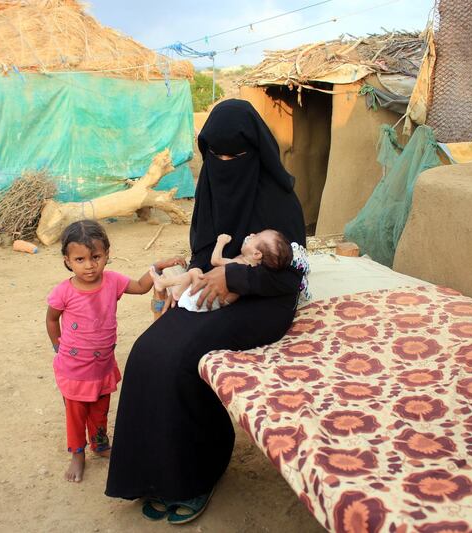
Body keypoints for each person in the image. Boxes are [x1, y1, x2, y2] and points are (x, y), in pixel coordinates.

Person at [106, 99, 307, 524]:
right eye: (217, 155)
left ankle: (197, 476)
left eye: (237, 155)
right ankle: (150, 476)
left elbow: (290, 278)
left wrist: (234, 279)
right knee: (148, 351)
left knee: (185, 358)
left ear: (256, 150)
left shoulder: (279, 199)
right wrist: (196, 270)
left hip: (263, 301)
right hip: (211, 290)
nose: (227, 164)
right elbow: (203, 244)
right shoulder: (211, 187)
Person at [45, 219, 184, 483]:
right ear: (67, 260)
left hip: (102, 367)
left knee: (100, 410)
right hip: (73, 370)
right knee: (76, 415)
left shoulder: (113, 281)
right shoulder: (63, 292)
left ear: (107, 255)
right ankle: (77, 454)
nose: (89, 265)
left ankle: (99, 444)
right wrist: (57, 344)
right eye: (80, 259)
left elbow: (142, 286)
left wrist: (157, 267)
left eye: (96, 257)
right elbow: (52, 319)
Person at [149, 229, 294, 312]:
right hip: (207, 304)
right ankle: (176, 292)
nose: (250, 235)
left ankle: (165, 285)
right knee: (195, 275)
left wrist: (221, 242)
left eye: (254, 238)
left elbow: (215, 260)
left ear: (256, 254)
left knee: (193, 273)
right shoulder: (250, 270)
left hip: (198, 300)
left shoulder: (239, 265)